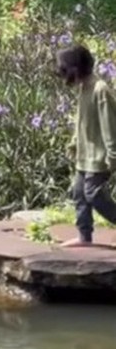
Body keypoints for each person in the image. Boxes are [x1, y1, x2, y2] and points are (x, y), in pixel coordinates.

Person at [56, 44, 116, 247]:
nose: (62, 74)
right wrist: (74, 143)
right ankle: (84, 237)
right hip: (84, 155)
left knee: (95, 195)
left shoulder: (100, 89)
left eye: (64, 69)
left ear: (75, 68)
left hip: (98, 157)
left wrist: (113, 154)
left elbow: (110, 125)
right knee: (79, 193)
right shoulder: (84, 87)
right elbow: (81, 120)